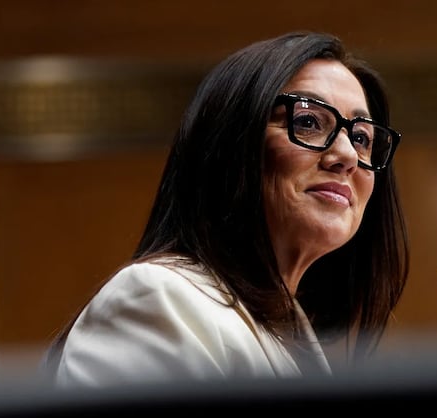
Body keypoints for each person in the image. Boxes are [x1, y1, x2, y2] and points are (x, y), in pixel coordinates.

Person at [42, 31, 409, 387]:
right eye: (308, 122)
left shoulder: (292, 338)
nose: (347, 156)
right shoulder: (158, 299)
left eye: (361, 138)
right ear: (230, 147)